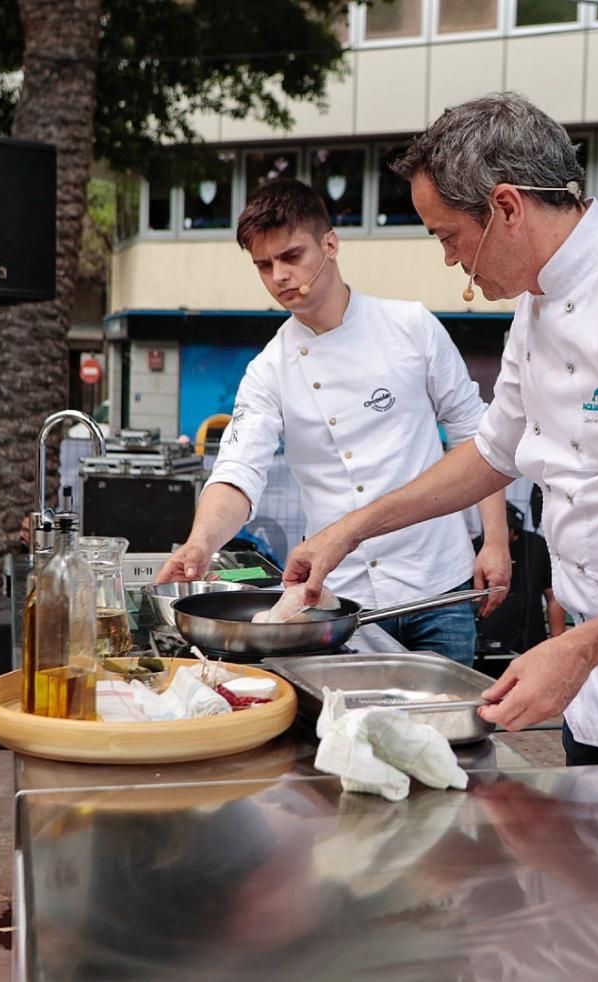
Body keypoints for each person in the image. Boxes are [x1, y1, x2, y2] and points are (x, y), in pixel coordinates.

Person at [280, 93, 598, 843]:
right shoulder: (537, 305)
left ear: (508, 207)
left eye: (450, 236)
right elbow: (492, 453)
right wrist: (352, 530)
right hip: (592, 679)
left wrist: (580, 648)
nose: (450, 258)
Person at [156, 178, 510, 665]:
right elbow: (238, 471)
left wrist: (494, 541)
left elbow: (477, 433)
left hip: (437, 583)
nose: (279, 275)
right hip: (340, 598)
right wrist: (200, 544)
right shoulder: (268, 369)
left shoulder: (411, 326)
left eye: (291, 256)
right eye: (264, 265)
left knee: (442, 736)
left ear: (330, 243)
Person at [471, 501, 565, 666]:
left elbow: (553, 597)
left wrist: (558, 643)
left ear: (514, 532)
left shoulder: (536, 546)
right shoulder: (476, 547)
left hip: (529, 645)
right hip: (485, 649)